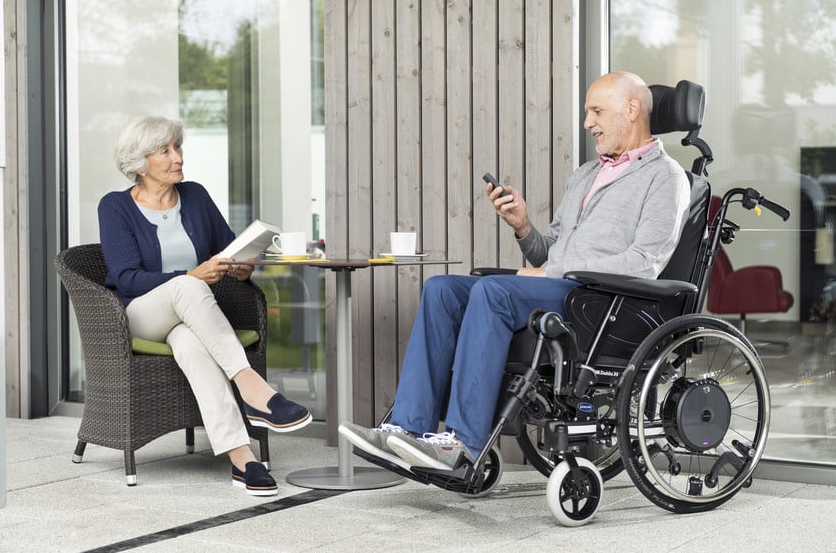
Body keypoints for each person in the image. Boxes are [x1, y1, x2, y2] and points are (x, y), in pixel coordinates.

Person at [339, 71, 691, 472]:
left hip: (600, 303)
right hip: (560, 289)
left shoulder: (665, 177)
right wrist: (522, 224)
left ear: (631, 109)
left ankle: (462, 443)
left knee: (493, 291)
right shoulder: (587, 175)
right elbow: (548, 252)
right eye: (587, 113)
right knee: (441, 289)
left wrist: (555, 270)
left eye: (596, 111)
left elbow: (645, 261)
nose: (587, 123)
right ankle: (406, 429)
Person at [99, 116, 312, 497]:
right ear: (140, 162)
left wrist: (240, 267)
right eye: (165, 150)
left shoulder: (194, 195)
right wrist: (192, 273)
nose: (178, 157)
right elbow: (127, 277)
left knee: (192, 346)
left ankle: (243, 460)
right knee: (186, 283)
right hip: (140, 315)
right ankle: (253, 389)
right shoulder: (115, 208)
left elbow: (226, 249)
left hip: (191, 318)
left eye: (177, 147)